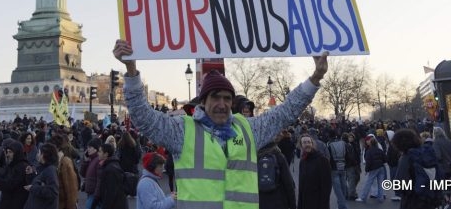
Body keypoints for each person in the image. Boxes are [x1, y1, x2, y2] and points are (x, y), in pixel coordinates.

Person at [113, 39, 328, 209]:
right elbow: (143, 117)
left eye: (227, 98)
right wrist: (132, 71)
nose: (222, 103)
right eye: (215, 97)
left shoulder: (248, 129)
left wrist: (316, 77)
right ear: (203, 102)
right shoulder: (182, 130)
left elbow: (285, 112)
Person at [392, 128, 440, 209]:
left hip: (413, 200)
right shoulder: (426, 152)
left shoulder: (406, 157)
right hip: (430, 198)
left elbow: (400, 183)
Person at [0, 139, 29, 209]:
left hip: (15, 203)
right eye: (7, 152)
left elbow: (10, 184)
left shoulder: (22, 166)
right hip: (8, 201)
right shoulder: (12, 164)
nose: (7, 154)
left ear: (17, 153)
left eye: (10, 152)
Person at [257, 135, 296, 209]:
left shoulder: (256, 157)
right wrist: (292, 205)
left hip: (261, 201)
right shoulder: (279, 156)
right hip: (279, 201)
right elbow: (288, 183)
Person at [298, 133, 331, 209]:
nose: (307, 144)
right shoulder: (302, 161)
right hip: (305, 202)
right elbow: (301, 186)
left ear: (312, 144)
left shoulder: (322, 160)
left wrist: (324, 205)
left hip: (318, 203)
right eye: (304, 142)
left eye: (309, 142)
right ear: (301, 145)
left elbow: (327, 186)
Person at [23, 142, 59, 209]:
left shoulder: (50, 170)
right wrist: (30, 174)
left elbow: (53, 192)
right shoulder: (41, 167)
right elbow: (35, 182)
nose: (37, 155)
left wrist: (33, 188)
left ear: (43, 155)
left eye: (39, 153)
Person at [96, 143, 127, 209]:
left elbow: (110, 192)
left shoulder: (110, 169)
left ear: (106, 154)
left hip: (116, 205)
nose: (98, 153)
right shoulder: (112, 164)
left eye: (100, 151)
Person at [356, 134, 387, 202]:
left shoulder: (369, 151)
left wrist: (367, 170)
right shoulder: (379, 150)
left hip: (373, 168)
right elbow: (385, 159)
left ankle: (363, 197)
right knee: (380, 183)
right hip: (381, 167)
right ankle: (380, 197)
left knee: (368, 182)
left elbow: (368, 162)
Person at [79, 138, 102, 209]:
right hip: (90, 192)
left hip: (94, 194)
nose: (87, 149)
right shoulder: (91, 159)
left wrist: (97, 195)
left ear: (96, 149)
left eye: (90, 147)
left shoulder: (98, 160)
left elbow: (100, 179)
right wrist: (85, 161)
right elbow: (83, 173)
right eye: (87, 147)